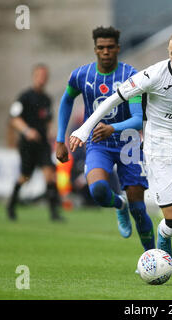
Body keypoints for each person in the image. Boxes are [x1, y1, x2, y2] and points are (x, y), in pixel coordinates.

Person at [69, 29, 172, 285]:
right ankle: (164, 234)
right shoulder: (152, 74)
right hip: (159, 153)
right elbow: (112, 99)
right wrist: (84, 128)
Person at [55, 26, 155, 252]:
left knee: (139, 210)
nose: (106, 52)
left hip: (128, 143)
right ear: (95, 49)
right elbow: (66, 100)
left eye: (110, 47)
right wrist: (60, 139)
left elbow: (139, 119)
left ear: (118, 48)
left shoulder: (132, 77)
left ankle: (152, 257)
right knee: (99, 192)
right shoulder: (81, 75)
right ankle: (119, 204)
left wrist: (113, 127)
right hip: (98, 144)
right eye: (101, 48)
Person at [6, 64, 64, 222]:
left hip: (42, 144)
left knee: (50, 175)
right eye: (39, 75)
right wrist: (27, 131)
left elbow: (48, 121)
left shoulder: (46, 99)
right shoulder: (24, 97)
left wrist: (52, 134)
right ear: (34, 76)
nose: (42, 78)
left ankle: (54, 213)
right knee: (25, 176)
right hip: (27, 144)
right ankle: (11, 205)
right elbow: (14, 119)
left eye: (44, 76)